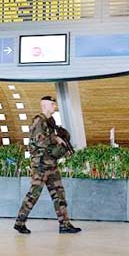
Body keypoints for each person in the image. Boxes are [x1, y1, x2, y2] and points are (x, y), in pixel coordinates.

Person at [13, 95, 81, 234]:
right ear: (45, 105)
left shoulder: (51, 122)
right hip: (41, 165)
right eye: (52, 104)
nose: (54, 106)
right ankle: (20, 222)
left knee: (59, 193)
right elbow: (39, 141)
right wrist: (55, 138)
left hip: (51, 164)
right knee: (34, 194)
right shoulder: (39, 121)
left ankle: (64, 224)